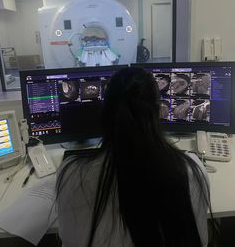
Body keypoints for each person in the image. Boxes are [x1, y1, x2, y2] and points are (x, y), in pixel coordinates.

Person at [56, 67, 211, 247]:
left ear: (105, 114)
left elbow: (67, 239)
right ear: (157, 112)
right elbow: (202, 241)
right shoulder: (193, 170)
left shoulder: (70, 174)